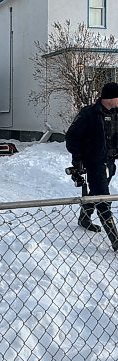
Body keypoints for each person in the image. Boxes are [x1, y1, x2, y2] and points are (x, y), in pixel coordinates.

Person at [65, 82, 118, 251]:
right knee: (103, 198)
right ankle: (115, 239)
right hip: (93, 162)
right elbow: (72, 137)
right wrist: (78, 160)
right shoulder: (89, 114)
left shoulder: (117, 114)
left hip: (109, 162)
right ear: (110, 98)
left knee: (95, 192)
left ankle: (84, 218)